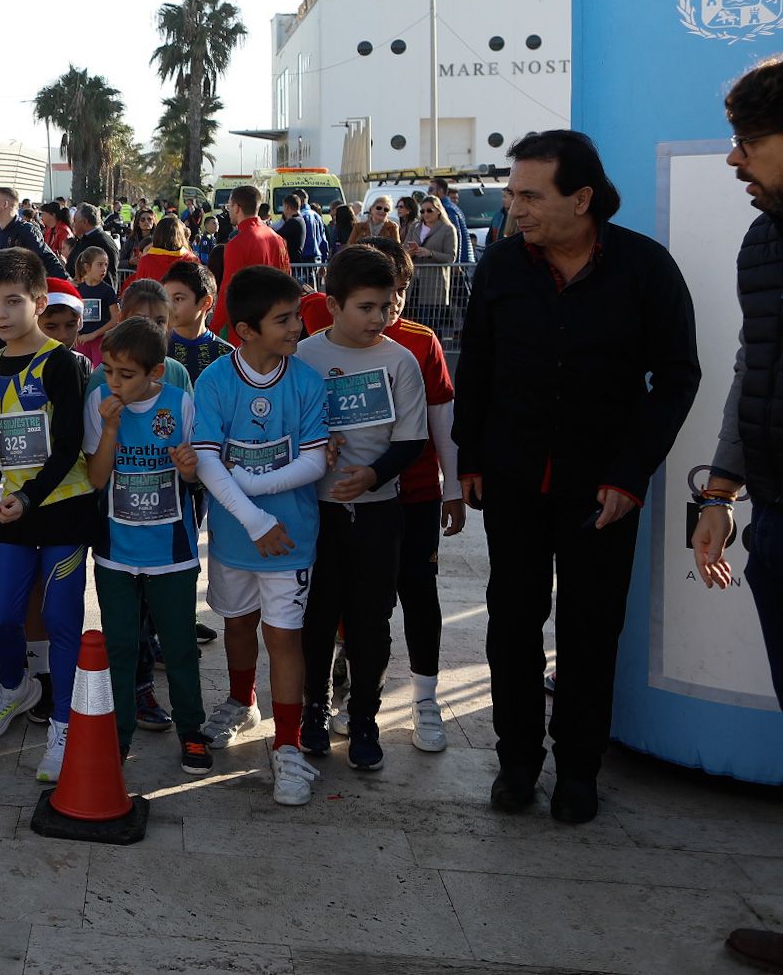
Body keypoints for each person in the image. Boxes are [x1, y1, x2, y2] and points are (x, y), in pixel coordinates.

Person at [455, 129, 699, 824]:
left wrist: (631, 473)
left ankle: (579, 773)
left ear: (582, 198)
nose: (515, 207)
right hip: (511, 480)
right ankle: (517, 763)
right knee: (511, 625)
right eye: (512, 193)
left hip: (602, 493)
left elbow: (677, 377)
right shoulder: (501, 267)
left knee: (591, 632)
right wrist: (471, 457)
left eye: (530, 194)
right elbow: (478, 366)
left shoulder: (646, 270)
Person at [300, 236, 465, 752]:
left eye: (388, 304)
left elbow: (416, 436)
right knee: (319, 615)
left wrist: (373, 476)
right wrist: (313, 456)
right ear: (333, 305)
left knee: (374, 618)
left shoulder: (404, 358)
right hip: (317, 511)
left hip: (384, 510)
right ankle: (314, 713)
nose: (379, 316)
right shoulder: (303, 355)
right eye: (366, 307)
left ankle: (368, 717)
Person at [692, 61, 783, 972]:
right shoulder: (763, 243)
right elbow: (753, 374)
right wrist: (719, 493)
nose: (733, 159)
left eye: (750, 142)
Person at [192, 264, 329, 806]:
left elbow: (316, 460)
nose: (298, 327)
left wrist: (261, 490)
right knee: (238, 622)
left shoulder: (307, 380)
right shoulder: (215, 381)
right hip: (234, 538)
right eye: (284, 320)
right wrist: (253, 518)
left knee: (284, 636)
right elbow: (205, 457)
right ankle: (241, 701)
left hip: (291, 539)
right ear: (245, 331)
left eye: (296, 316)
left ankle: (289, 745)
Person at [0, 247, 96, 783]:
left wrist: (30, 497)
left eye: (12, 301)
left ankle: (64, 727)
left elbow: (68, 445)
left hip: (62, 511)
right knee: (0, 617)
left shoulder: (62, 363)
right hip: (12, 513)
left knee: (64, 622)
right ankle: (16, 686)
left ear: (38, 302)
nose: (0, 313)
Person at [84, 316, 208, 772]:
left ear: (156, 372)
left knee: (177, 647)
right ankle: (118, 735)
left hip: (172, 553)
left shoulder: (180, 402)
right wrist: (112, 430)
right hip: (116, 553)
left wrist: (188, 467)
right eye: (109, 370)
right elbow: (97, 479)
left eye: (125, 374)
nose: (113, 381)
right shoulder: (99, 402)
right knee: (119, 647)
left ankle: (192, 731)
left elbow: (197, 477)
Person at [209, 184, 291, 336]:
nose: (228, 211)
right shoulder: (277, 238)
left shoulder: (237, 244)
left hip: (247, 325)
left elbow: (228, 289)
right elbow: (287, 279)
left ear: (237, 207)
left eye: (229, 206)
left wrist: (213, 328)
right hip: (275, 321)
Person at [0, 185, 69, 290]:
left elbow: (46, 258)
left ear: (5, 204)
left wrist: (67, 282)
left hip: (20, 301)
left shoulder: (26, 231)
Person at [406, 197, 459, 312]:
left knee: (430, 320)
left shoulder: (448, 229)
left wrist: (429, 253)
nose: (425, 214)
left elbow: (450, 257)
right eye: (422, 211)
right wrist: (409, 253)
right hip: (412, 282)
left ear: (439, 210)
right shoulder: (415, 227)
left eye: (429, 210)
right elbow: (404, 250)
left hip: (433, 285)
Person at [71, 247, 118, 367]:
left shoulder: (107, 290)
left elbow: (116, 319)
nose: (104, 269)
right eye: (100, 265)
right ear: (87, 267)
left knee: (99, 373)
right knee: (82, 371)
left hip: (101, 340)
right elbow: (72, 315)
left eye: (106, 265)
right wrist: (75, 333)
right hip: (80, 340)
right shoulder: (77, 289)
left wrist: (94, 335)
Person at [128, 216, 197, 288]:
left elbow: (139, 292)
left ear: (157, 235)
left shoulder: (145, 261)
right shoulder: (192, 260)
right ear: (180, 236)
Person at [65, 204, 120, 287]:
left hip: (94, 296)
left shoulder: (101, 242)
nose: (73, 224)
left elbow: (106, 276)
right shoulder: (86, 238)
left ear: (85, 222)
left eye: (75, 220)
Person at [428, 175, 474, 263]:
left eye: (431, 189)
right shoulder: (452, 207)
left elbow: (456, 235)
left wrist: (457, 262)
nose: (428, 192)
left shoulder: (447, 209)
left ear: (441, 191)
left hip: (460, 262)